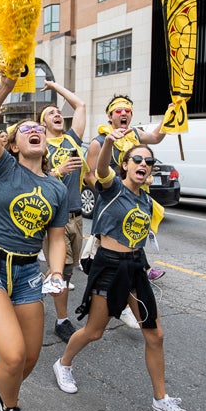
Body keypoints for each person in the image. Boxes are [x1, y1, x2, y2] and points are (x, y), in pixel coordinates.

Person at [52, 131, 194, 411]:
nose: (143, 163)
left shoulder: (145, 199)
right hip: (109, 266)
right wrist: (107, 144)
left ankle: (161, 399)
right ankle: (63, 363)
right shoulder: (113, 187)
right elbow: (100, 170)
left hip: (135, 268)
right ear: (126, 165)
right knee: (94, 331)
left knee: (155, 335)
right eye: (137, 159)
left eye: (148, 161)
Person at [0, 72, 69, 411]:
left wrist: (56, 271)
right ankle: (10, 407)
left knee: (27, 360)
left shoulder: (56, 188)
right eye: (24, 128)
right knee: (10, 355)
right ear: (11, 144)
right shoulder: (2, 167)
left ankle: (4, 389)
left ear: (45, 141)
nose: (34, 130)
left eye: (37, 128)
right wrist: (7, 84)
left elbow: (55, 238)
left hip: (28, 272)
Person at [86, 95, 168, 283]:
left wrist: (169, 116)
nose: (124, 114)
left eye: (127, 111)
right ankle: (97, 269)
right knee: (108, 238)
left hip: (137, 196)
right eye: (118, 111)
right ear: (110, 116)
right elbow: (90, 174)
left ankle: (141, 269)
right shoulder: (98, 142)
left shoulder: (136, 135)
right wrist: (110, 192)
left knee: (135, 230)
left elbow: (156, 137)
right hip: (111, 195)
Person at [38, 81, 86, 343]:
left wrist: (53, 86)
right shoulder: (40, 145)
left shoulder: (72, 139)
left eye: (58, 112)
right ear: (42, 124)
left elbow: (80, 105)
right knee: (64, 271)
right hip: (54, 220)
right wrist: (59, 171)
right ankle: (61, 320)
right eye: (50, 113)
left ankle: (33, 285)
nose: (57, 114)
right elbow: (35, 179)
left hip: (77, 216)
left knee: (68, 271)